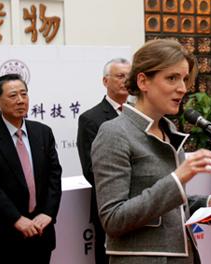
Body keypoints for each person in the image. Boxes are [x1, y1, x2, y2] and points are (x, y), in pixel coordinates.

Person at [91, 38, 211, 264]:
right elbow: (113, 219)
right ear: (143, 81)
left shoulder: (169, 129)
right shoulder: (114, 133)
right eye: (172, 78)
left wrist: (207, 202)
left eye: (184, 79)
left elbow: (169, 204)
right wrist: (177, 179)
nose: (183, 88)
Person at [0, 74, 62, 264]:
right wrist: (16, 219)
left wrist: (48, 213)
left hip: (40, 230)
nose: (20, 100)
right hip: (2, 233)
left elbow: (54, 175)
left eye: (24, 94)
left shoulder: (43, 132)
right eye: (13, 95)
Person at [77, 58, 131, 263]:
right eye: (120, 76)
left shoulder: (140, 114)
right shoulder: (91, 118)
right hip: (110, 206)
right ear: (105, 81)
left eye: (129, 76)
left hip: (144, 207)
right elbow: (91, 170)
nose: (125, 81)